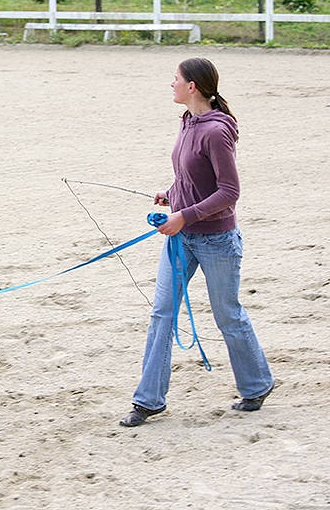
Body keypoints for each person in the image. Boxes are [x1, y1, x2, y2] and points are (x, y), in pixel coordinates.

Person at [119, 57, 274, 427]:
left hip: (217, 239)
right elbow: (193, 175)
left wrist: (184, 215)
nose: (170, 84)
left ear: (192, 86)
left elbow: (229, 192)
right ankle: (149, 400)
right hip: (182, 237)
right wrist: (172, 194)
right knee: (162, 312)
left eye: (175, 79)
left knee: (228, 315)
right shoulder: (188, 122)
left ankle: (256, 385)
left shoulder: (216, 130)